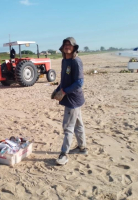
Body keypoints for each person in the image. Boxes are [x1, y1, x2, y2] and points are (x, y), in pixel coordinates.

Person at [51, 37, 87, 165]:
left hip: (73, 99)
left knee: (68, 127)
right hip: (71, 98)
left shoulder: (76, 61)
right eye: (65, 44)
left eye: (70, 45)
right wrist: (57, 90)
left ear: (74, 47)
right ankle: (82, 148)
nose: (67, 46)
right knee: (78, 124)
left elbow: (79, 82)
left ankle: (64, 154)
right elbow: (64, 80)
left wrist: (65, 92)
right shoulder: (64, 61)